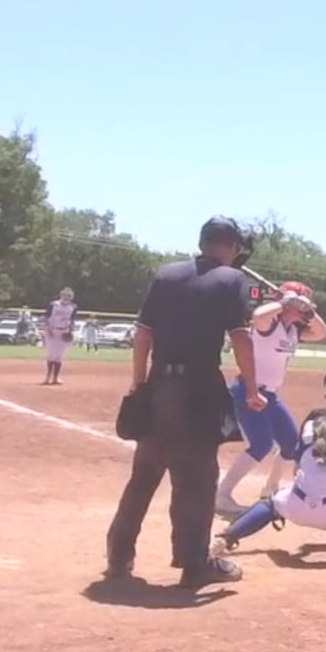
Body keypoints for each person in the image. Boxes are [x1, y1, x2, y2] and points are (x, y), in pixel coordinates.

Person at [105, 216, 265, 588]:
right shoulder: (232, 280)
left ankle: (118, 555)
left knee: (144, 474)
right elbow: (241, 338)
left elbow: (143, 334)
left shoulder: (167, 275)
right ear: (230, 247)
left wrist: (139, 382)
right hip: (198, 390)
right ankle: (195, 564)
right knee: (197, 480)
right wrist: (252, 388)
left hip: (160, 385)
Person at [214, 363, 326, 564]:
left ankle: (226, 537)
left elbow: (297, 471)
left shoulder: (311, 422)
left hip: (296, 508)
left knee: (271, 502)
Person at [215, 280, 326, 519]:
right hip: (248, 390)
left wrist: (309, 311)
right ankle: (222, 495)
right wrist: (285, 301)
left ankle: (270, 490)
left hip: (271, 395)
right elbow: (258, 316)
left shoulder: (293, 330)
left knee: (291, 443)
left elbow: (321, 332)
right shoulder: (269, 324)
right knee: (261, 444)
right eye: (299, 306)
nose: (301, 311)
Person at [43, 287, 77, 386]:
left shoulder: (73, 307)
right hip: (52, 330)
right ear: (61, 295)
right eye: (65, 295)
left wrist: (70, 331)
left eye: (69, 296)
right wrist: (48, 329)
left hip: (64, 332)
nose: (66, 297)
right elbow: (46, 317)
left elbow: (72, 320)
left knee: (59, 356)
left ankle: (55, 378)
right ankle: (48, 377)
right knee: (51, 355)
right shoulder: (53, 305)